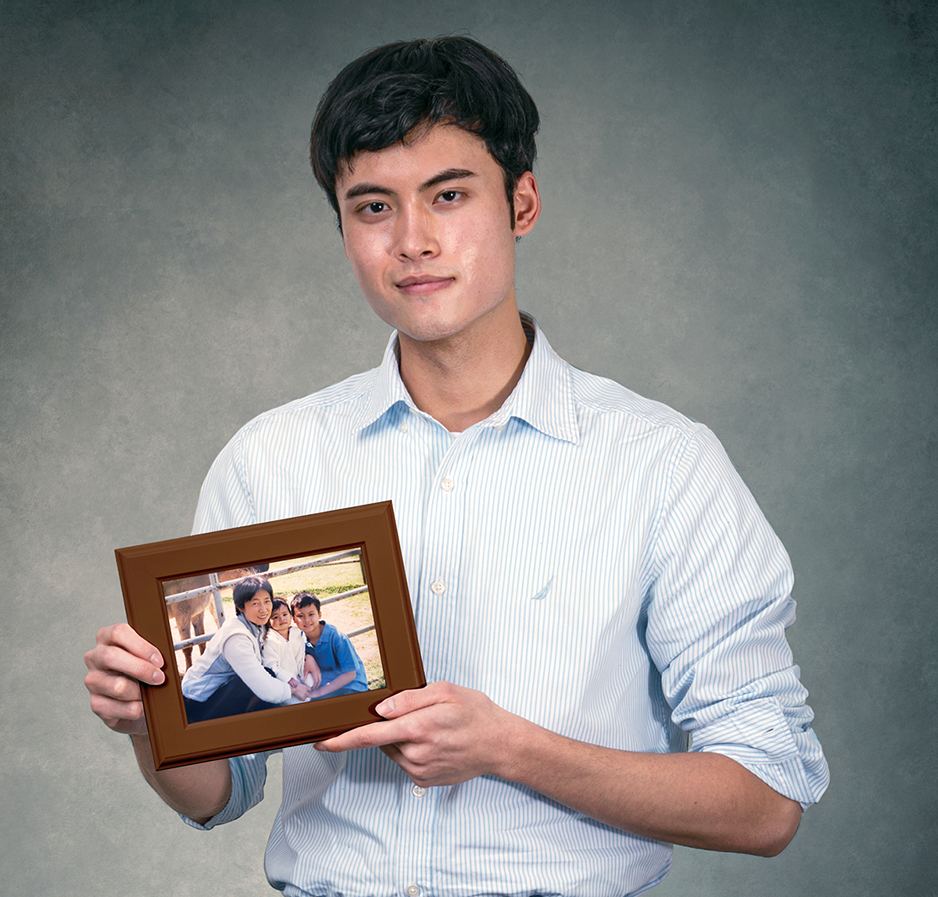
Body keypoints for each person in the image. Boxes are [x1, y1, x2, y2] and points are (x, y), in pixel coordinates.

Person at [84, 36, 829, 896]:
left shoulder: (664, 464)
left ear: (522, 202)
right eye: (372, 207)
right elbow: (222, 792)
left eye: (448, 195)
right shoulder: (272, 457)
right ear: (343, 228)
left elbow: (769, 802)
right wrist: (149, 725)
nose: (413, 240)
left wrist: (510, 748)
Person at [181, 576, 311, 722]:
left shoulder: (257, 624)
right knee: (265, 687)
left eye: (267, 601)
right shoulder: (236, 638)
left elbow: (286, 640)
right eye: (255, 603)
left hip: (222, 687)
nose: (264, 609)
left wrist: (309, 657)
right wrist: (293, 690)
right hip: (198, 701)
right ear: (241, 607)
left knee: (267, 679)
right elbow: (266, 689)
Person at [291, 592, 370, 698]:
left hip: (351, 686)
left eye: (311, 614)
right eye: (300, 616)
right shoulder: (298, 639)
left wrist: (320, 692)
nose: (307, 620)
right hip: (325, 689)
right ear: (294, 619)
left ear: (319, 614)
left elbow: (350, 674)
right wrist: (307, 657)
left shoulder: (337, 637)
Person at [261, 596, 316, 688]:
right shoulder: (269, 641)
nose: (281, 619)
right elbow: (270, 665)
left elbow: (300, 657)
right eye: (275, 617)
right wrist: (288, 679)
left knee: (315, 685)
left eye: (284, 614)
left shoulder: (297, 634)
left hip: (300, 674)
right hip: (283, 681)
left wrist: (305, 674)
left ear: (291, 615)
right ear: (268, 621)